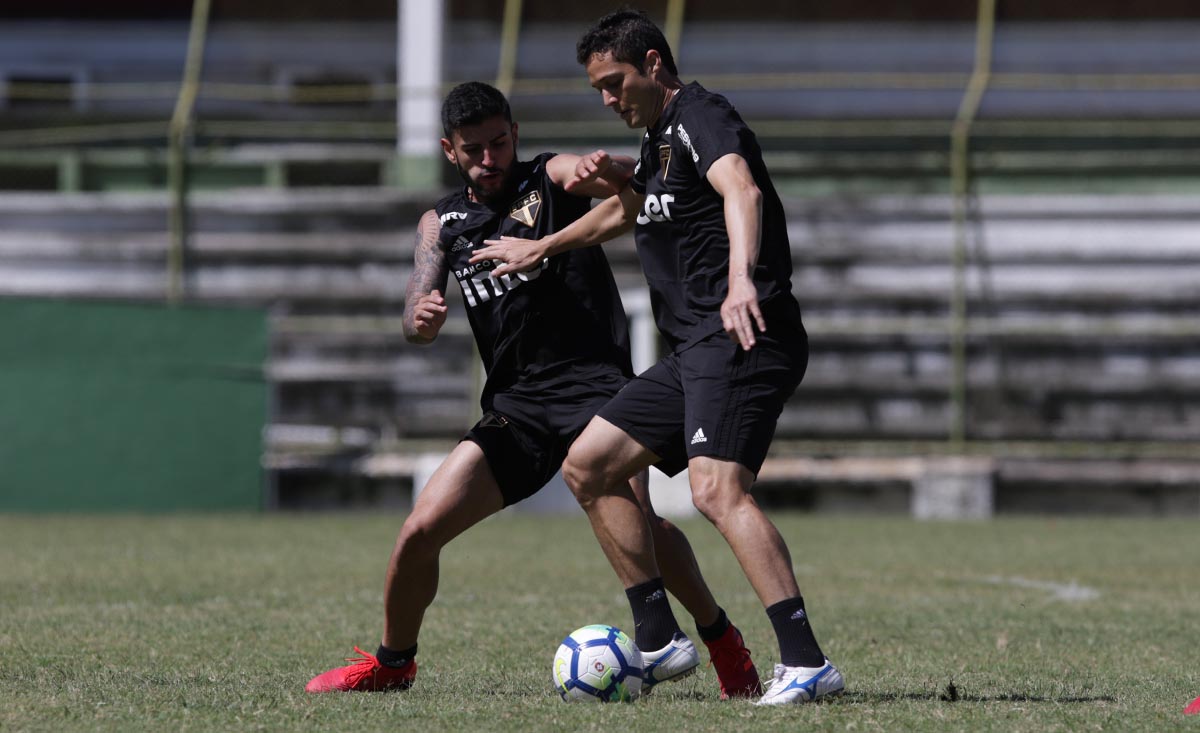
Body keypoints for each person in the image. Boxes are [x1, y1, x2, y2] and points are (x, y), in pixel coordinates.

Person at [305, 81, 762, 699]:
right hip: (516, 409)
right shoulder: (442, 223)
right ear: (449, 150)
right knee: (418, 532)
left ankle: (718, 641)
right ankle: (392, 665)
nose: (489, 159)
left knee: (646, 525)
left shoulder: (548, 179)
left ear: (514, 136)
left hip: (598, 392)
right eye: (474, 150)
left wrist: (604, 169)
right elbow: (417, 298)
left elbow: (605, 180)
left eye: (499, 143)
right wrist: (419, 317)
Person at [470, 10, 844, 705]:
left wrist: (740, 279)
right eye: (598, 92)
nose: (609, 100)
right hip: (692, 350)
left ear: (652, 63)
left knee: (715, 491)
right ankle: (658, 638)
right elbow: (627, 212)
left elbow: (742, 189)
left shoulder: (702, 115)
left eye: (616, 84)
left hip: (740, 333)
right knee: (588, 464)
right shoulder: (655, 143)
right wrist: (541, 246)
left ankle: (806, 661)